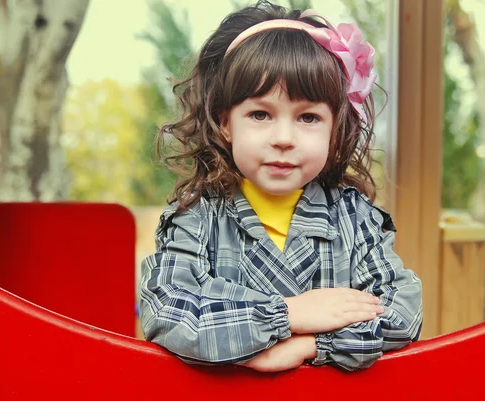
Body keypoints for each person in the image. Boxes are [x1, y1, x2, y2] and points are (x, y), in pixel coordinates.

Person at [139, 0, 422, 372]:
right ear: (226, 122)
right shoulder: (198, 218)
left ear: (334, 128)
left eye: (308, 117)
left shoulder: (356, 219)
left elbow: (402, 312)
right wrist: (287, 315)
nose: (284, 138)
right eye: (260, 114)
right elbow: (167, 312)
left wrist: (313, 344)